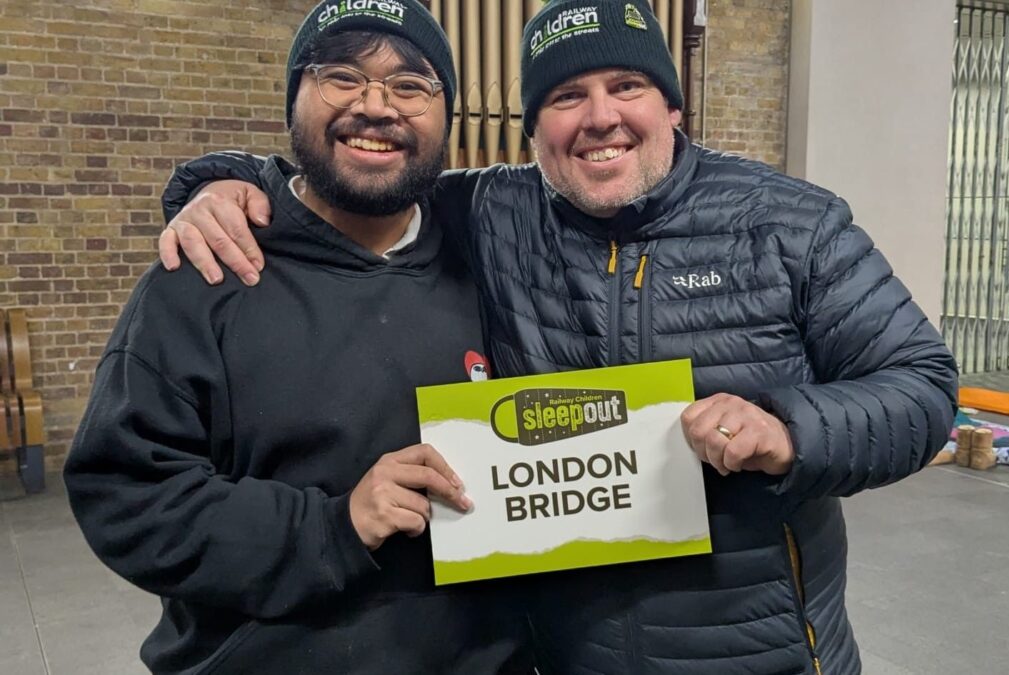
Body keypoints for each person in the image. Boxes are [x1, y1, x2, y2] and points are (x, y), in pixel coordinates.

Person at [158, 1, 959, 673]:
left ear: (672, 105)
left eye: (628, 85)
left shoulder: (792, 223)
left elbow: (922, 387)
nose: (601, 117)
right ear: (533, 127)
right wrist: (228, 183)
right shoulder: (493, 212)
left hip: (762, 650)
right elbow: (365, 168)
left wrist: (790, 430)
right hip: (569, 652)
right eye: (567, 95)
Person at [63, 2, 536, 673]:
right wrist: (332, 528)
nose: (376, 106)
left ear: (447, 117)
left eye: (411, 85)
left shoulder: (487, 260)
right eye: (342, 76)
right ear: (293, 99)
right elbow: (127, 495)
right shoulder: (208, 271)